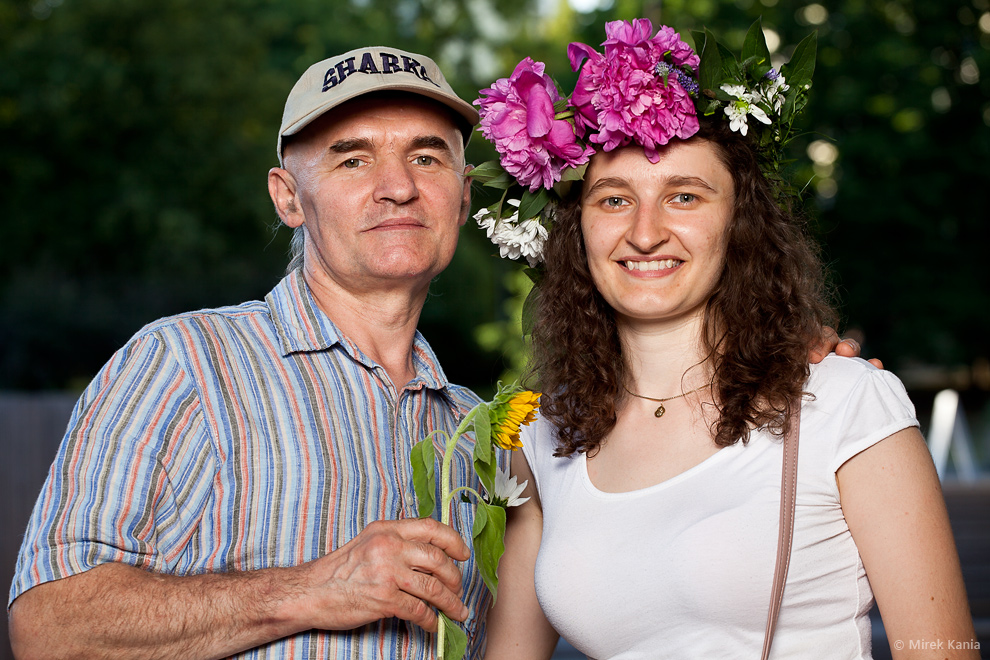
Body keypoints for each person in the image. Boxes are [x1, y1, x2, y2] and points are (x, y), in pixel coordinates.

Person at [473, 20, 979, 659]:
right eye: (612, 199)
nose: (646, 232)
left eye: (684, 196)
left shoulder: (848, 403)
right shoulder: (542, 436)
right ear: (578, 233)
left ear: (739, 224)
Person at [8, 46, 492, 659]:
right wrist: (312, 589)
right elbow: (49, 630)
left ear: (464, 193)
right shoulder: (182, 364)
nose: (398, 187)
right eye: (352, 160)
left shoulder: (477, 436)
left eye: (426, 157)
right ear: (288, 197)